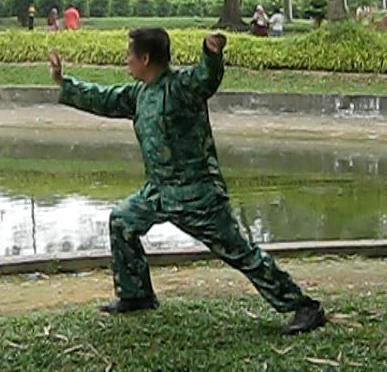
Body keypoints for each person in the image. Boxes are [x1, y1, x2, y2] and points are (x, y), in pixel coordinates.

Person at [48, 28, 326, 335]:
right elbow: (102, 97)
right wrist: (64, 81)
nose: (126, 61)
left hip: (197, 195)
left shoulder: (181, 87)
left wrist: (211, 52)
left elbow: (206, 77)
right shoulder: (139, 94)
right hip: (157, 192)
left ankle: (304, 307)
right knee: (122, 221)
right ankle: (136, 294)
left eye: (129, 55)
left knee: (240, 253)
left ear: (145, 57)